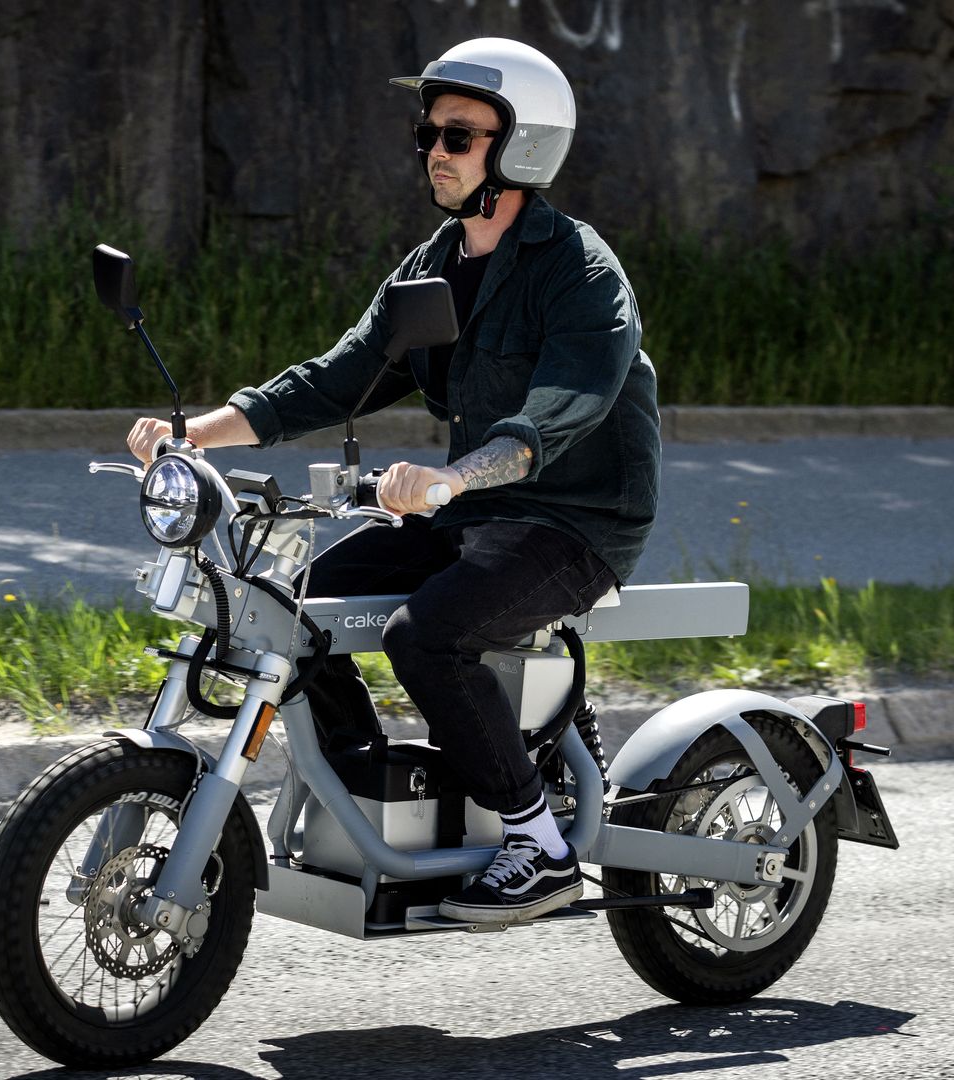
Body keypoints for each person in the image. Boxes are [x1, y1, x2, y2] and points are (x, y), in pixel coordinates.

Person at [126, 37, 660, 924]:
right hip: (474, 512)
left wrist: (452, 479)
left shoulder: (582, 273)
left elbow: (560, 412)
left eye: (459, 135)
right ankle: (379, 785)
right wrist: (195, 433)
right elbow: (335, 379)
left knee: (428, 635)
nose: (435, 153)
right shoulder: (433, 268)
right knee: (284, 604)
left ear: (522, 146)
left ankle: (540, 845)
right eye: (429, 134)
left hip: (574, 520)